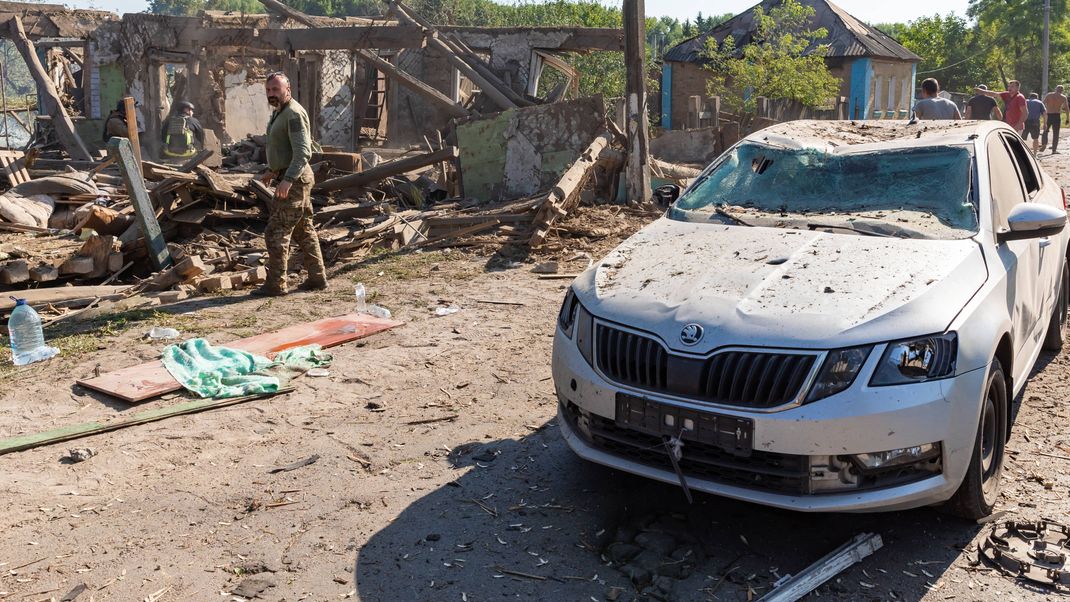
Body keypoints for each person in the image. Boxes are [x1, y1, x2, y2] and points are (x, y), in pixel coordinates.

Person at [252, 72, 326, 297]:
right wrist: (273, 171)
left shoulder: (293, 114)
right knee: (304, 231)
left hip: (295, 181)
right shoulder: (280, 113)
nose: (271, 94)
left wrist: (287, 180)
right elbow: (285, 148)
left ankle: (276, 284)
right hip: (290, 177)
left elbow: (304, 152)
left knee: (276, 232)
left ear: (288, 90)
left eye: (276, 89)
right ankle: (317, 278)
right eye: (268, 90)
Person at [1041, 85, 1070, 153]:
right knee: (1056, 133)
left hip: (1049, 115)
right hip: (1056, 116)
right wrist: (1067, 119)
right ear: (1062, 90)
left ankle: (1044, 144)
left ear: (1055, 89)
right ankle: (1054, 150)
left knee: (1045, 130)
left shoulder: (1049, 95)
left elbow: (1042, 104)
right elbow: (1067, 109)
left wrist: (1043, 114)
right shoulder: (1063, 97)